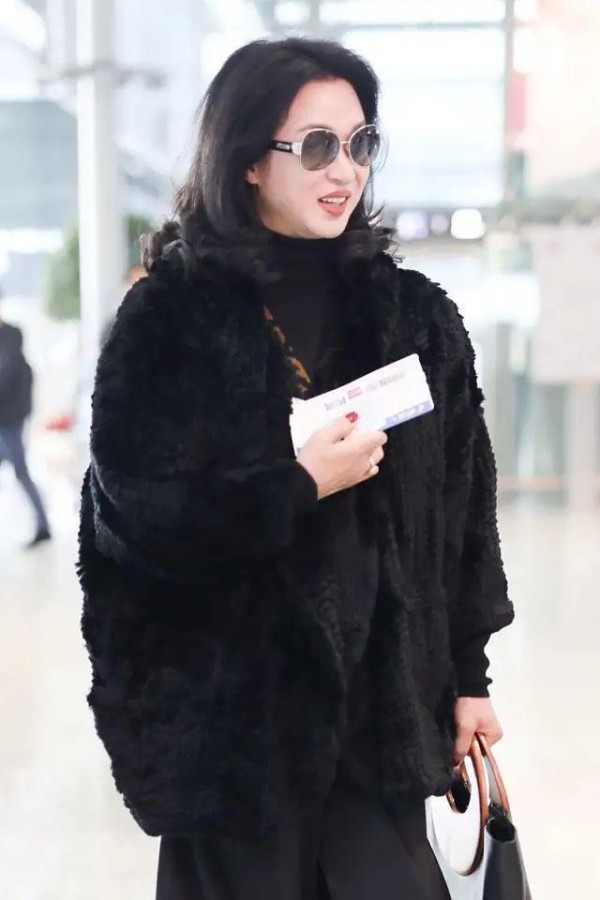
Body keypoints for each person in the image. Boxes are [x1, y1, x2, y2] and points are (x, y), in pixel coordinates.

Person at [78, 38, 515, 899]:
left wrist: (470, 678)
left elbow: (465, 512)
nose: (344, 170)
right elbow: (136, 518)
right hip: (236, 743)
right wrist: (298, 483)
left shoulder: (414, 319)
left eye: (360, 143)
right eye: (316, 146)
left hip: (381, 731)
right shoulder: (170, 319)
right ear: (248, 159)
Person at [0, 292, 51, 548]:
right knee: (20, 471)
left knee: (21, 471)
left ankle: (43, 525)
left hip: (9, 418)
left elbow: (9, 375)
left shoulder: (11, 335)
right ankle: (43, 524)